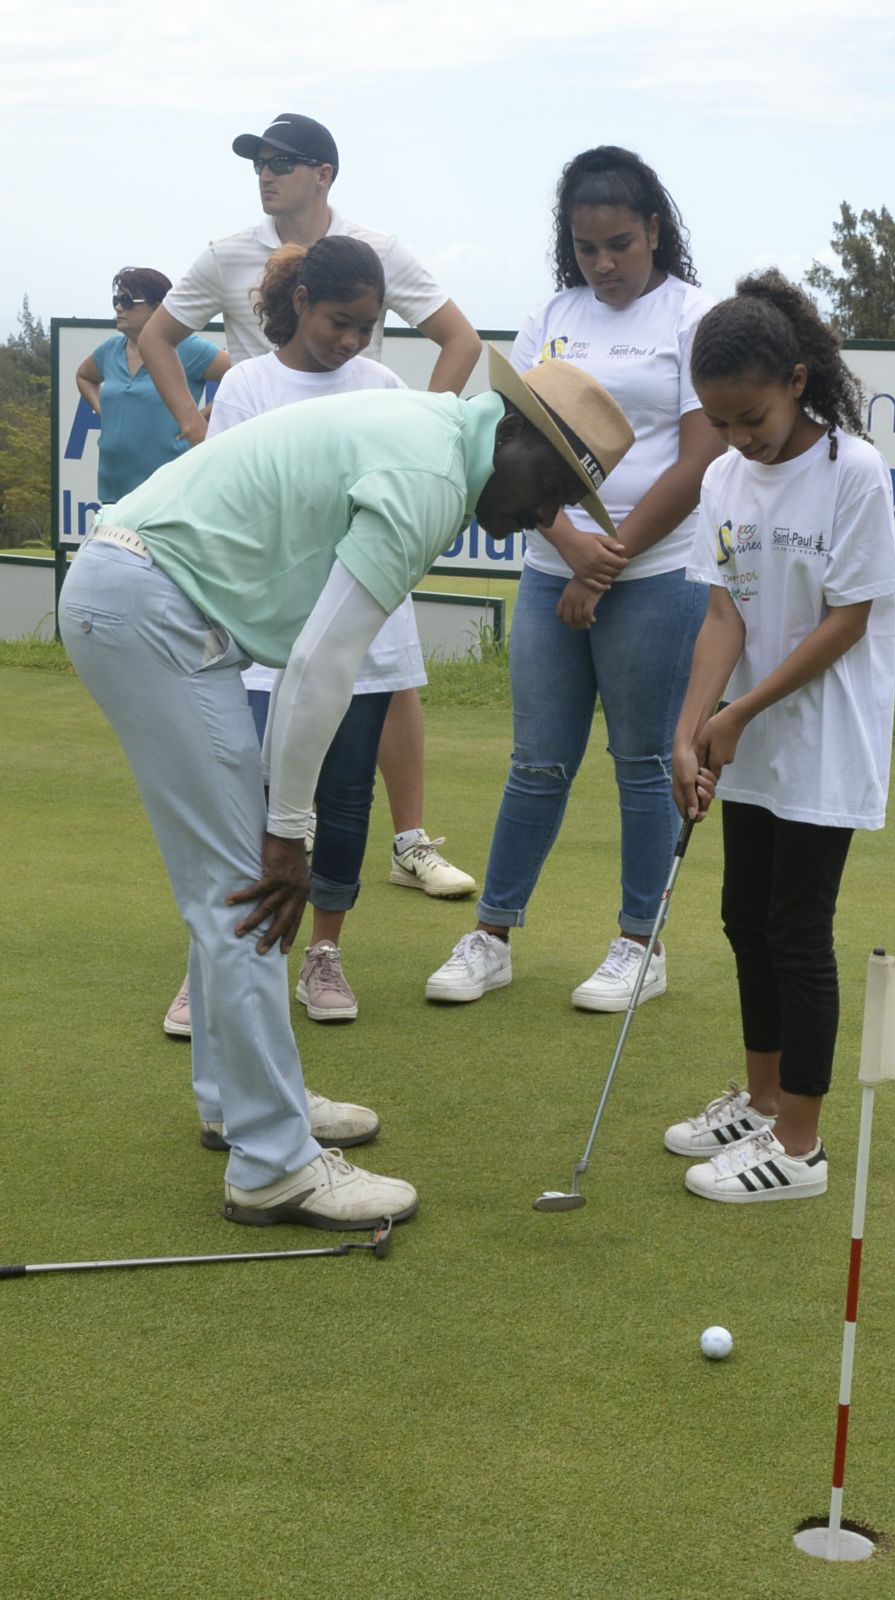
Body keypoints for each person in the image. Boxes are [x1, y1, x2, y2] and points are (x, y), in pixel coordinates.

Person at [58, 348, 633, 1231]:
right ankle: (273, 1164)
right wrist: (290, 833)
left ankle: (244, 1101)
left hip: (140, 594)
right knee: (247, 888)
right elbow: (323, 666)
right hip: (151, 606)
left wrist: (282, 828)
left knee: (231, 884)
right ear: (510, 430)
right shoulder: (430, 473)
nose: (542, 515)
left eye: (565, 501)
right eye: (549, 483)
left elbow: (319, 661)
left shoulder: (438, 440)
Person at [425, 146, 722, 1012]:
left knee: (640, 763)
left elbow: (701, 458)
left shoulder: (692, 317)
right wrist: (569, 541)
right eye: (587, 247)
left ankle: (639, 944)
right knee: (537, 762)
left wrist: (610, 556)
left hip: (659, 576)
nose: (604, 263)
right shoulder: (550, 314)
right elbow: (512, 447)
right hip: (554, 564)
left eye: (621, 244)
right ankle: (492, 933)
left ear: (656, 230)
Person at [666, 269, 895, 1204]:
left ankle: (798, 1148)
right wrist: (691, 730)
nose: (738, 439)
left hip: (822, 742)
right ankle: (763, 1101)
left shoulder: (857, 470)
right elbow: (724, 614)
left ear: (796, 381)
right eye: (720, 422)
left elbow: (845, 619)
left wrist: (737, 715)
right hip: (750, 739)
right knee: (743, 917)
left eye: (752, 418)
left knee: (798, 930)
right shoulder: (726, 477)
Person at [174, 235, 443, 1033]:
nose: (352, 342)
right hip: (266, 640)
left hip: (366, 634)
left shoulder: (386, 385)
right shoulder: (249, 386)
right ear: (299, 303)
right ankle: (217, 959)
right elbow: (240, 512)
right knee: (247, 806)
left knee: (346, 802)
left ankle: (323, 954)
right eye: (339, 323)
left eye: (366, 327)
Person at [75, 268, 229, 503]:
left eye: (127, 301)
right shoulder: (110, 350)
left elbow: (243, 376)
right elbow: (84, 376)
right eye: (116, 300)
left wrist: (201, 417)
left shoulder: (188, 349)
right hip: (112, 495)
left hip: (167, 496)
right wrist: (101, 410)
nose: (118, 308)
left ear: (158, 308)